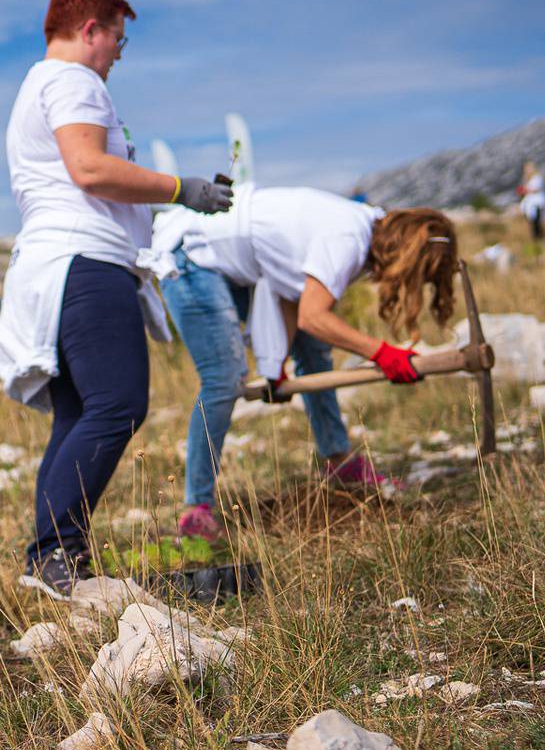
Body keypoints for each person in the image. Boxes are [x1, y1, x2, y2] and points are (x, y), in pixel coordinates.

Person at [0, 0, 232, 599]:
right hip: (87, 263)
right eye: (117, 40)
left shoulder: (36, 85)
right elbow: (90, 169)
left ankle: (48, 559)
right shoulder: (74, 81)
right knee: (118, 404)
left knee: (77, 412)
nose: (118, 55)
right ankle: (55, 554)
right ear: (90, 30)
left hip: (56, 264)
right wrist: (184, 189)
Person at [149, 194, 458, 539]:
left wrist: (275, 361)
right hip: (191, 257)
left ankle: (339, 462)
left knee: (313, 353)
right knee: (223, 377)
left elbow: (290, 288)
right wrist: (383, 353)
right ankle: (196, 510)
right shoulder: (347, 240)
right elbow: (313, 316)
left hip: (238, 265)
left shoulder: (363, 228)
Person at [516, 162, 545, 241]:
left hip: (538, 205)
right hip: (531, 206)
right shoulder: (529, 180)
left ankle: (541, 241)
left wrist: (524, 190)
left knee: (538, 225)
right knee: (533, 225)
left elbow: (535, 189)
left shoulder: (538, 178)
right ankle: (537, 241)